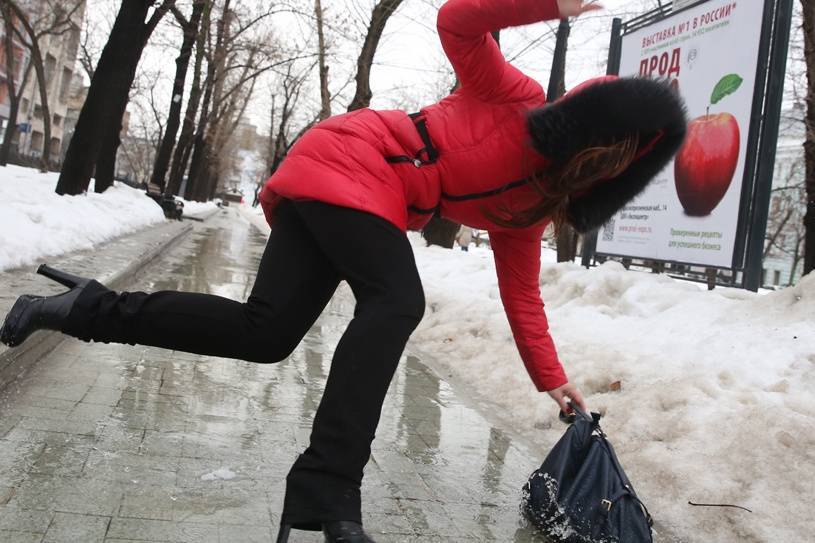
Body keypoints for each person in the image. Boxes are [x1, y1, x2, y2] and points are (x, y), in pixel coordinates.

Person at [0, 0, 686, 541]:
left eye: (627, 159)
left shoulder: (530, 209)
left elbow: (522, 296)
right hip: (354, 158)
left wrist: (552, 381)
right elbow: (456, 21)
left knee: (263, 332)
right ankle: (329, 489)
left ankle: (83, 308)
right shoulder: (515, 94)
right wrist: (550, 5)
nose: (612, 157)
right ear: (587, 117)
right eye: (612, 137)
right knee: (396, 301)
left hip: (352, 193)